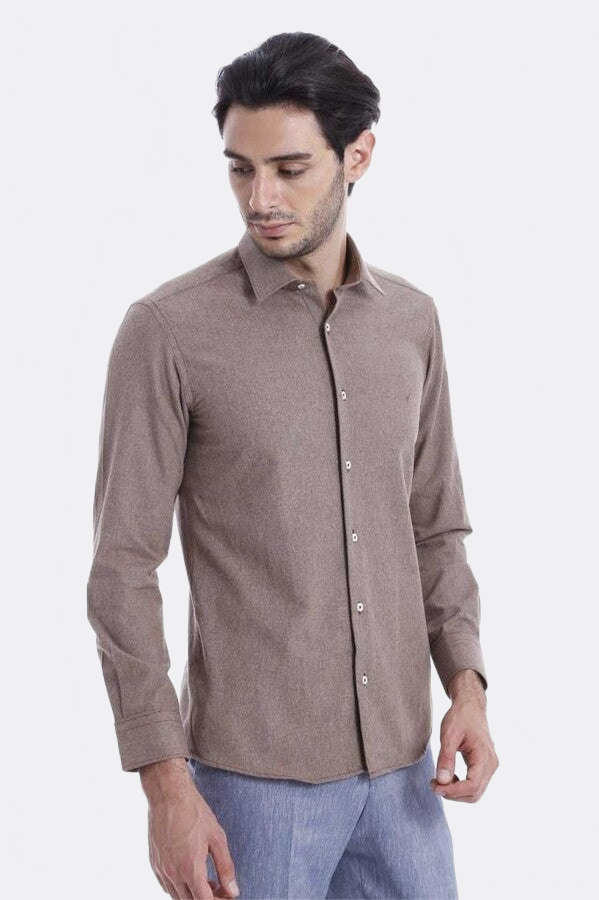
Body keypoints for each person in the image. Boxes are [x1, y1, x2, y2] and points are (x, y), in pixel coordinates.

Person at [87, 30, 499, 900]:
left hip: (405, 780)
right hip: (252, 792)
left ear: (358, 157)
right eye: (240, 169)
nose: (259, 198)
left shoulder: (412, 323)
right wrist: (165, 787)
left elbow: (435, 528)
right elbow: (122, 570)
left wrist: (466, 686)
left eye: (289, 168)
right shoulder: (169, 332)